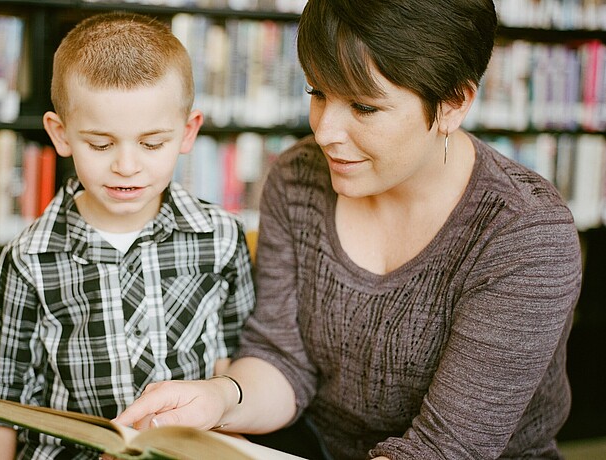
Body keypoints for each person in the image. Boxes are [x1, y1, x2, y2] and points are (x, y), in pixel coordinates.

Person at [114, 1, 583, 459]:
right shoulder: (298, 178)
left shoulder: (524, 234)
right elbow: (283, 361)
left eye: (363, 106)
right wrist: (219, 399)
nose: (324, 132)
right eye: (317, 93)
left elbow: (446, 448)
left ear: (452, 103)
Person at [0, 12, 255, 460]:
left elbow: (234, 363)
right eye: (101, 144)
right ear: (61, 135)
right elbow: (0, 399)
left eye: (152, 143)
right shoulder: (29, 257)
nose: (126, 165)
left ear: (188, 131)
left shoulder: (220, 236)